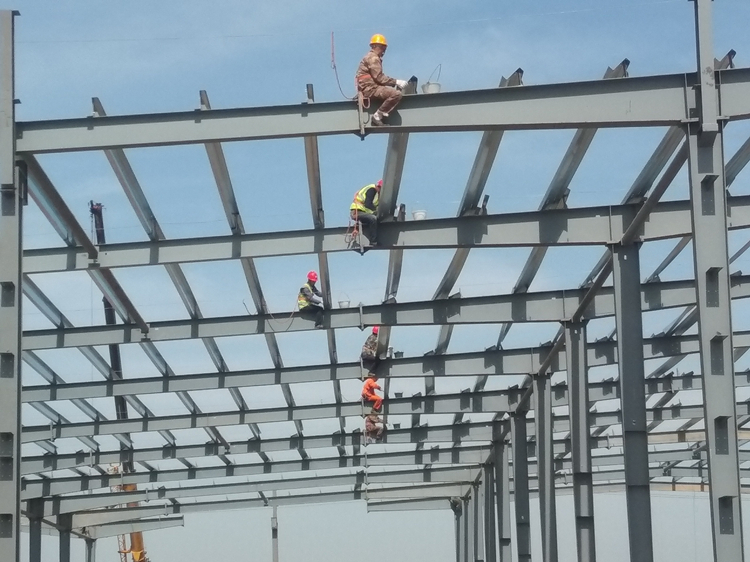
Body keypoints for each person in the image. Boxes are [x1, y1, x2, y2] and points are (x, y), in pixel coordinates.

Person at [355, 34, 409, 126]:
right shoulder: (373, 58)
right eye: (383, 48)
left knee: (389, 91)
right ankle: (377, 116)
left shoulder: (371, 57)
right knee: (396, 94)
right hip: (370, 88)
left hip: (369, 87)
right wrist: (396, 82)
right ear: (376, 46)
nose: (384, 51)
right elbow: (379, 78)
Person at [350, 180, 381, 246]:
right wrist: (376, 211)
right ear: (379, 187)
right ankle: (373, 241)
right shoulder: (372, 190)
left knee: (375, 218)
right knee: (373, 218)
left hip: (362, 212)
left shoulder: (377, 195)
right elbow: (368, 204)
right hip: (357, 212)